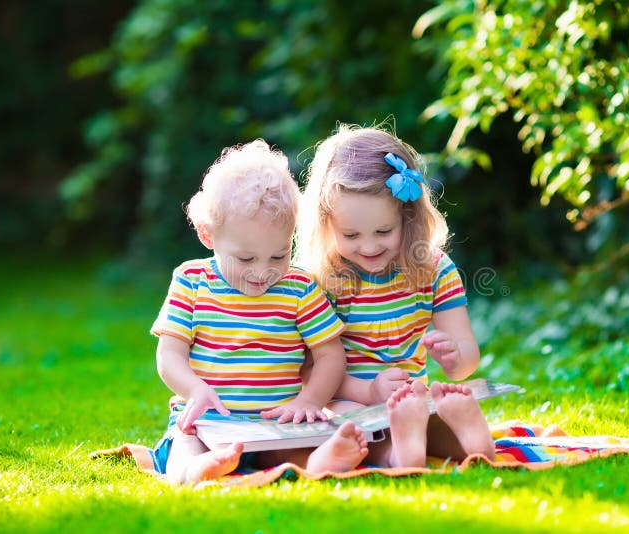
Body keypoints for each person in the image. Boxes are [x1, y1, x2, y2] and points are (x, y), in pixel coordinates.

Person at [151, 140, 368, 485]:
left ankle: (319, 462)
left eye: (279, 256)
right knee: (185, 442)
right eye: (246, 258)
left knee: (293, 450)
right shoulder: (192, 281)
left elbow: (330, 355)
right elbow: (169, 355)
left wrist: (309, 400)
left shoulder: (299, 287)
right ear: (208, 235)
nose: (263, 271)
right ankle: (194, 469)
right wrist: (194, 389)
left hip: (276, 423)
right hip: (208, 420)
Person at [295, 124, 496, 468]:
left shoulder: (433, 268)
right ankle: (407, 449)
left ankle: (467, 442)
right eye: (351, 235)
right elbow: (309, 371)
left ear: (408, 217)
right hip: (348, 399)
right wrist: (370, 392)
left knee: (426, 414)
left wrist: (454, 357)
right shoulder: (322, 280)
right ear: (326, 224)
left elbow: (467, 360)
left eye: (383, 231)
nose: (369, 246)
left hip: (411, 402)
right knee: (344, 425)